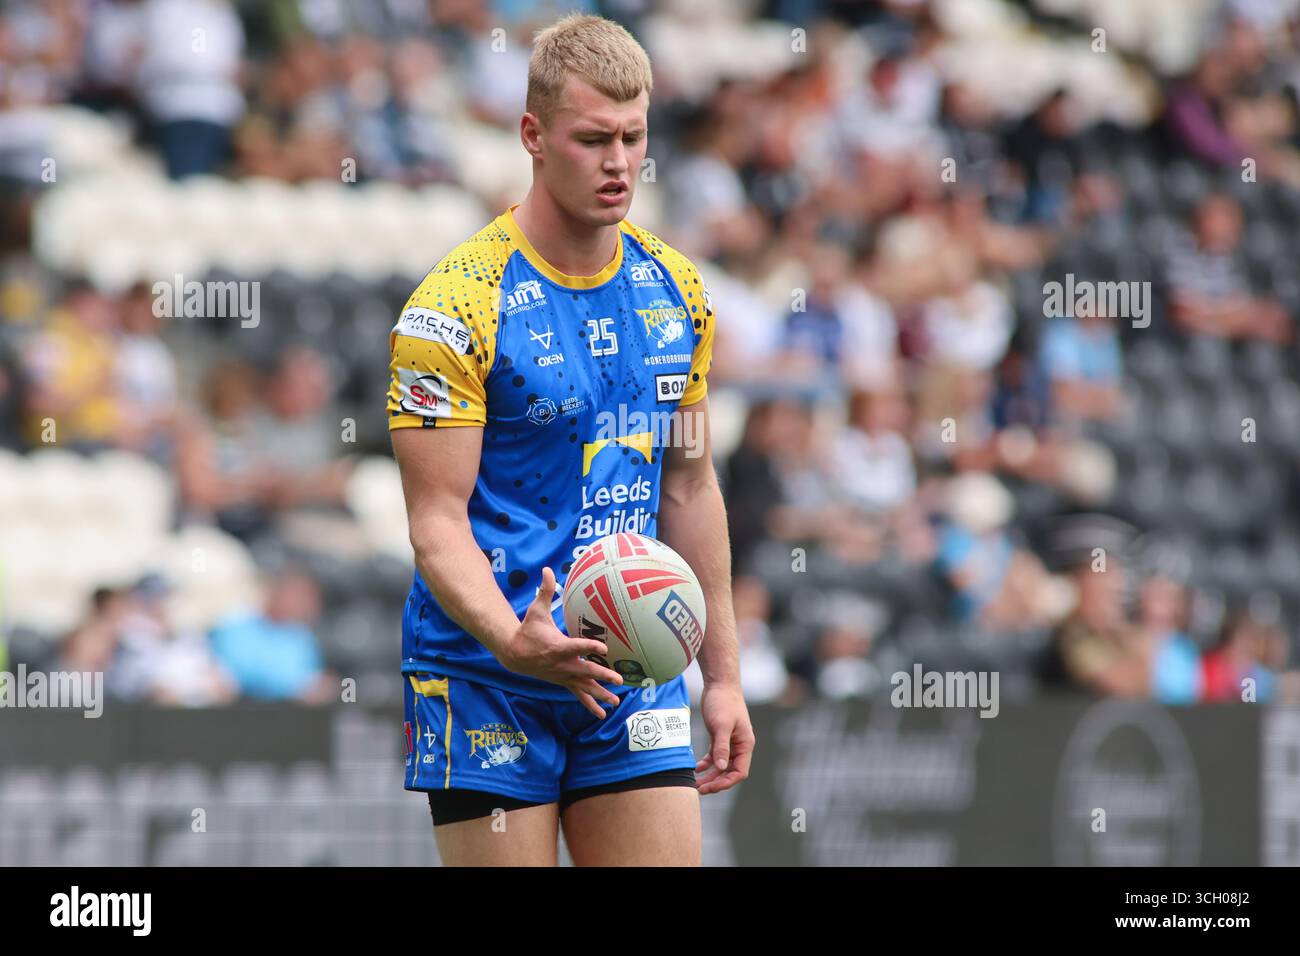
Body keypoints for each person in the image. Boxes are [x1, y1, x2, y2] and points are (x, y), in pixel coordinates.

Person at [386, 14, 752, 867]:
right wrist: (514, 640)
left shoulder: (678, 291)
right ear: (533, 136)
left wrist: (724, 677)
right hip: (486, 673)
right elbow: (435, 521)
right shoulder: (453, 307)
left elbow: (690, 485)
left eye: (633, 137)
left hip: (632, 661)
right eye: (592, 139)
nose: (619, 163)